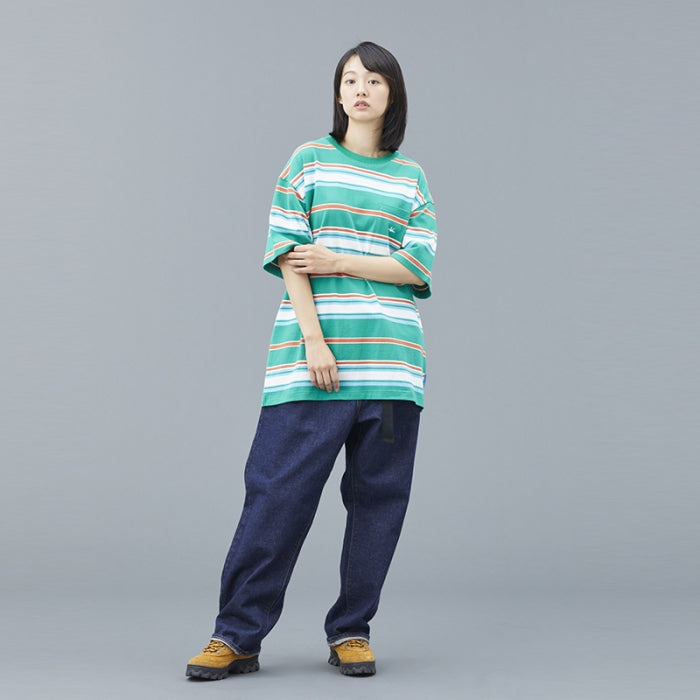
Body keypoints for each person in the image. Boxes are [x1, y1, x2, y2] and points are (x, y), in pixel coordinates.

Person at [186, 40, 437, 680]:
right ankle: (236, 635)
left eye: (373, 81)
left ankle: (352, 630)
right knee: (275, 494)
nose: (360, 90)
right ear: (337, 93)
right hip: (312, 363)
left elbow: (416, 267)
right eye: (350, 80)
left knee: (380, 502)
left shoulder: (411, 178)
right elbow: (290, 257)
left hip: (393, 369)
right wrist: (315, 341)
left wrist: (337, 258)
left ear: (392, 94)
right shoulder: (308, 161)